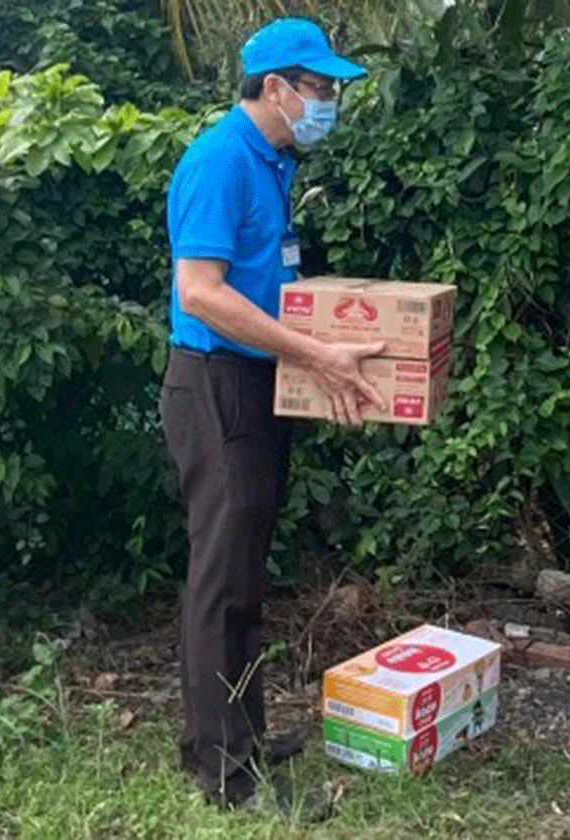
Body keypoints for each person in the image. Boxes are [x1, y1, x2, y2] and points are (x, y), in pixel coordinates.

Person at [160, 17, 386, 812]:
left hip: (256, 384)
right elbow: (200, 293)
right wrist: (316, 355)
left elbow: (262, 282)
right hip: (216, 385)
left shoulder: (272, 162)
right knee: (220, 582)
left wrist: (316, 351)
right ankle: (226, 774)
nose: (329, 103)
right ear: (276, 87)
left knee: (245, 573)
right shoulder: (220, 160)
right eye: (319, 88)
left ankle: (238, 733)